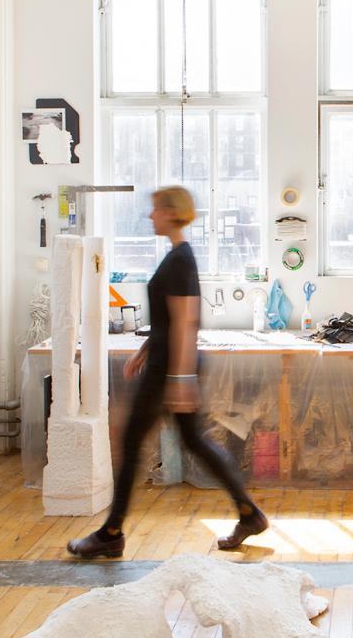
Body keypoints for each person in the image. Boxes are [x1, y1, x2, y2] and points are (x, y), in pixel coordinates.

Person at [68, 185, 267, 559]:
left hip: (169, 372)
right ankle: (248, 513)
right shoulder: (177, 257)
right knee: (193, 442)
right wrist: (144, 350)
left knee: (131, 442)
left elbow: (185, 322)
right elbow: (168, 321)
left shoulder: (180, 260)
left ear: (173, 212)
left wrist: (180, 380)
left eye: (156, 209)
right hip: (165, 364)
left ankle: (111, 533)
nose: (150, 215)